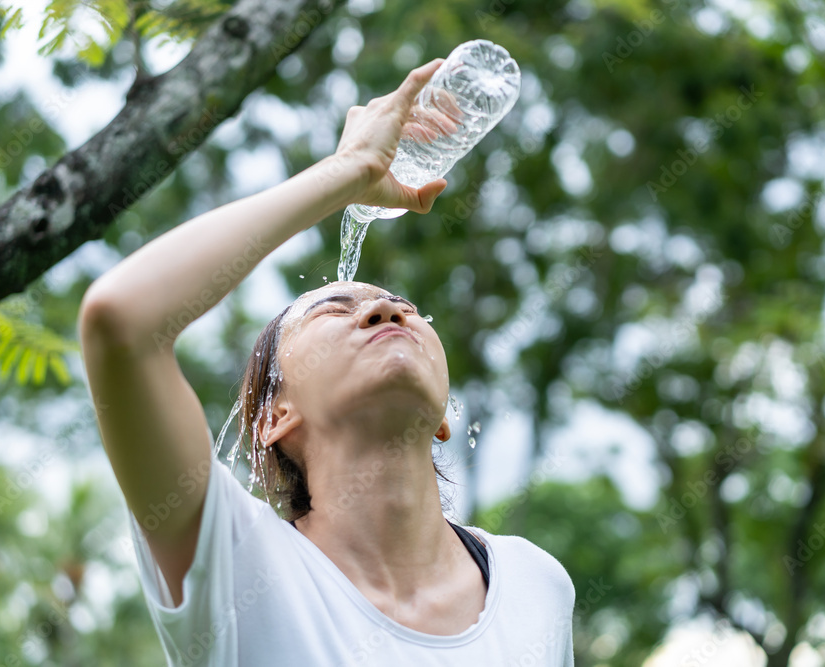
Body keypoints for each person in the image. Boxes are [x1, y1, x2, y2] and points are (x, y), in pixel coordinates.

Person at [78, 57, 575, 666]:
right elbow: (121, 320)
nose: (384, 314)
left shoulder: (536, 583)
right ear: (275, 416)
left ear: (444, 413)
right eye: (333, 311)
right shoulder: (236, 564)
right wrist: (346, 173)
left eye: (403, 308)